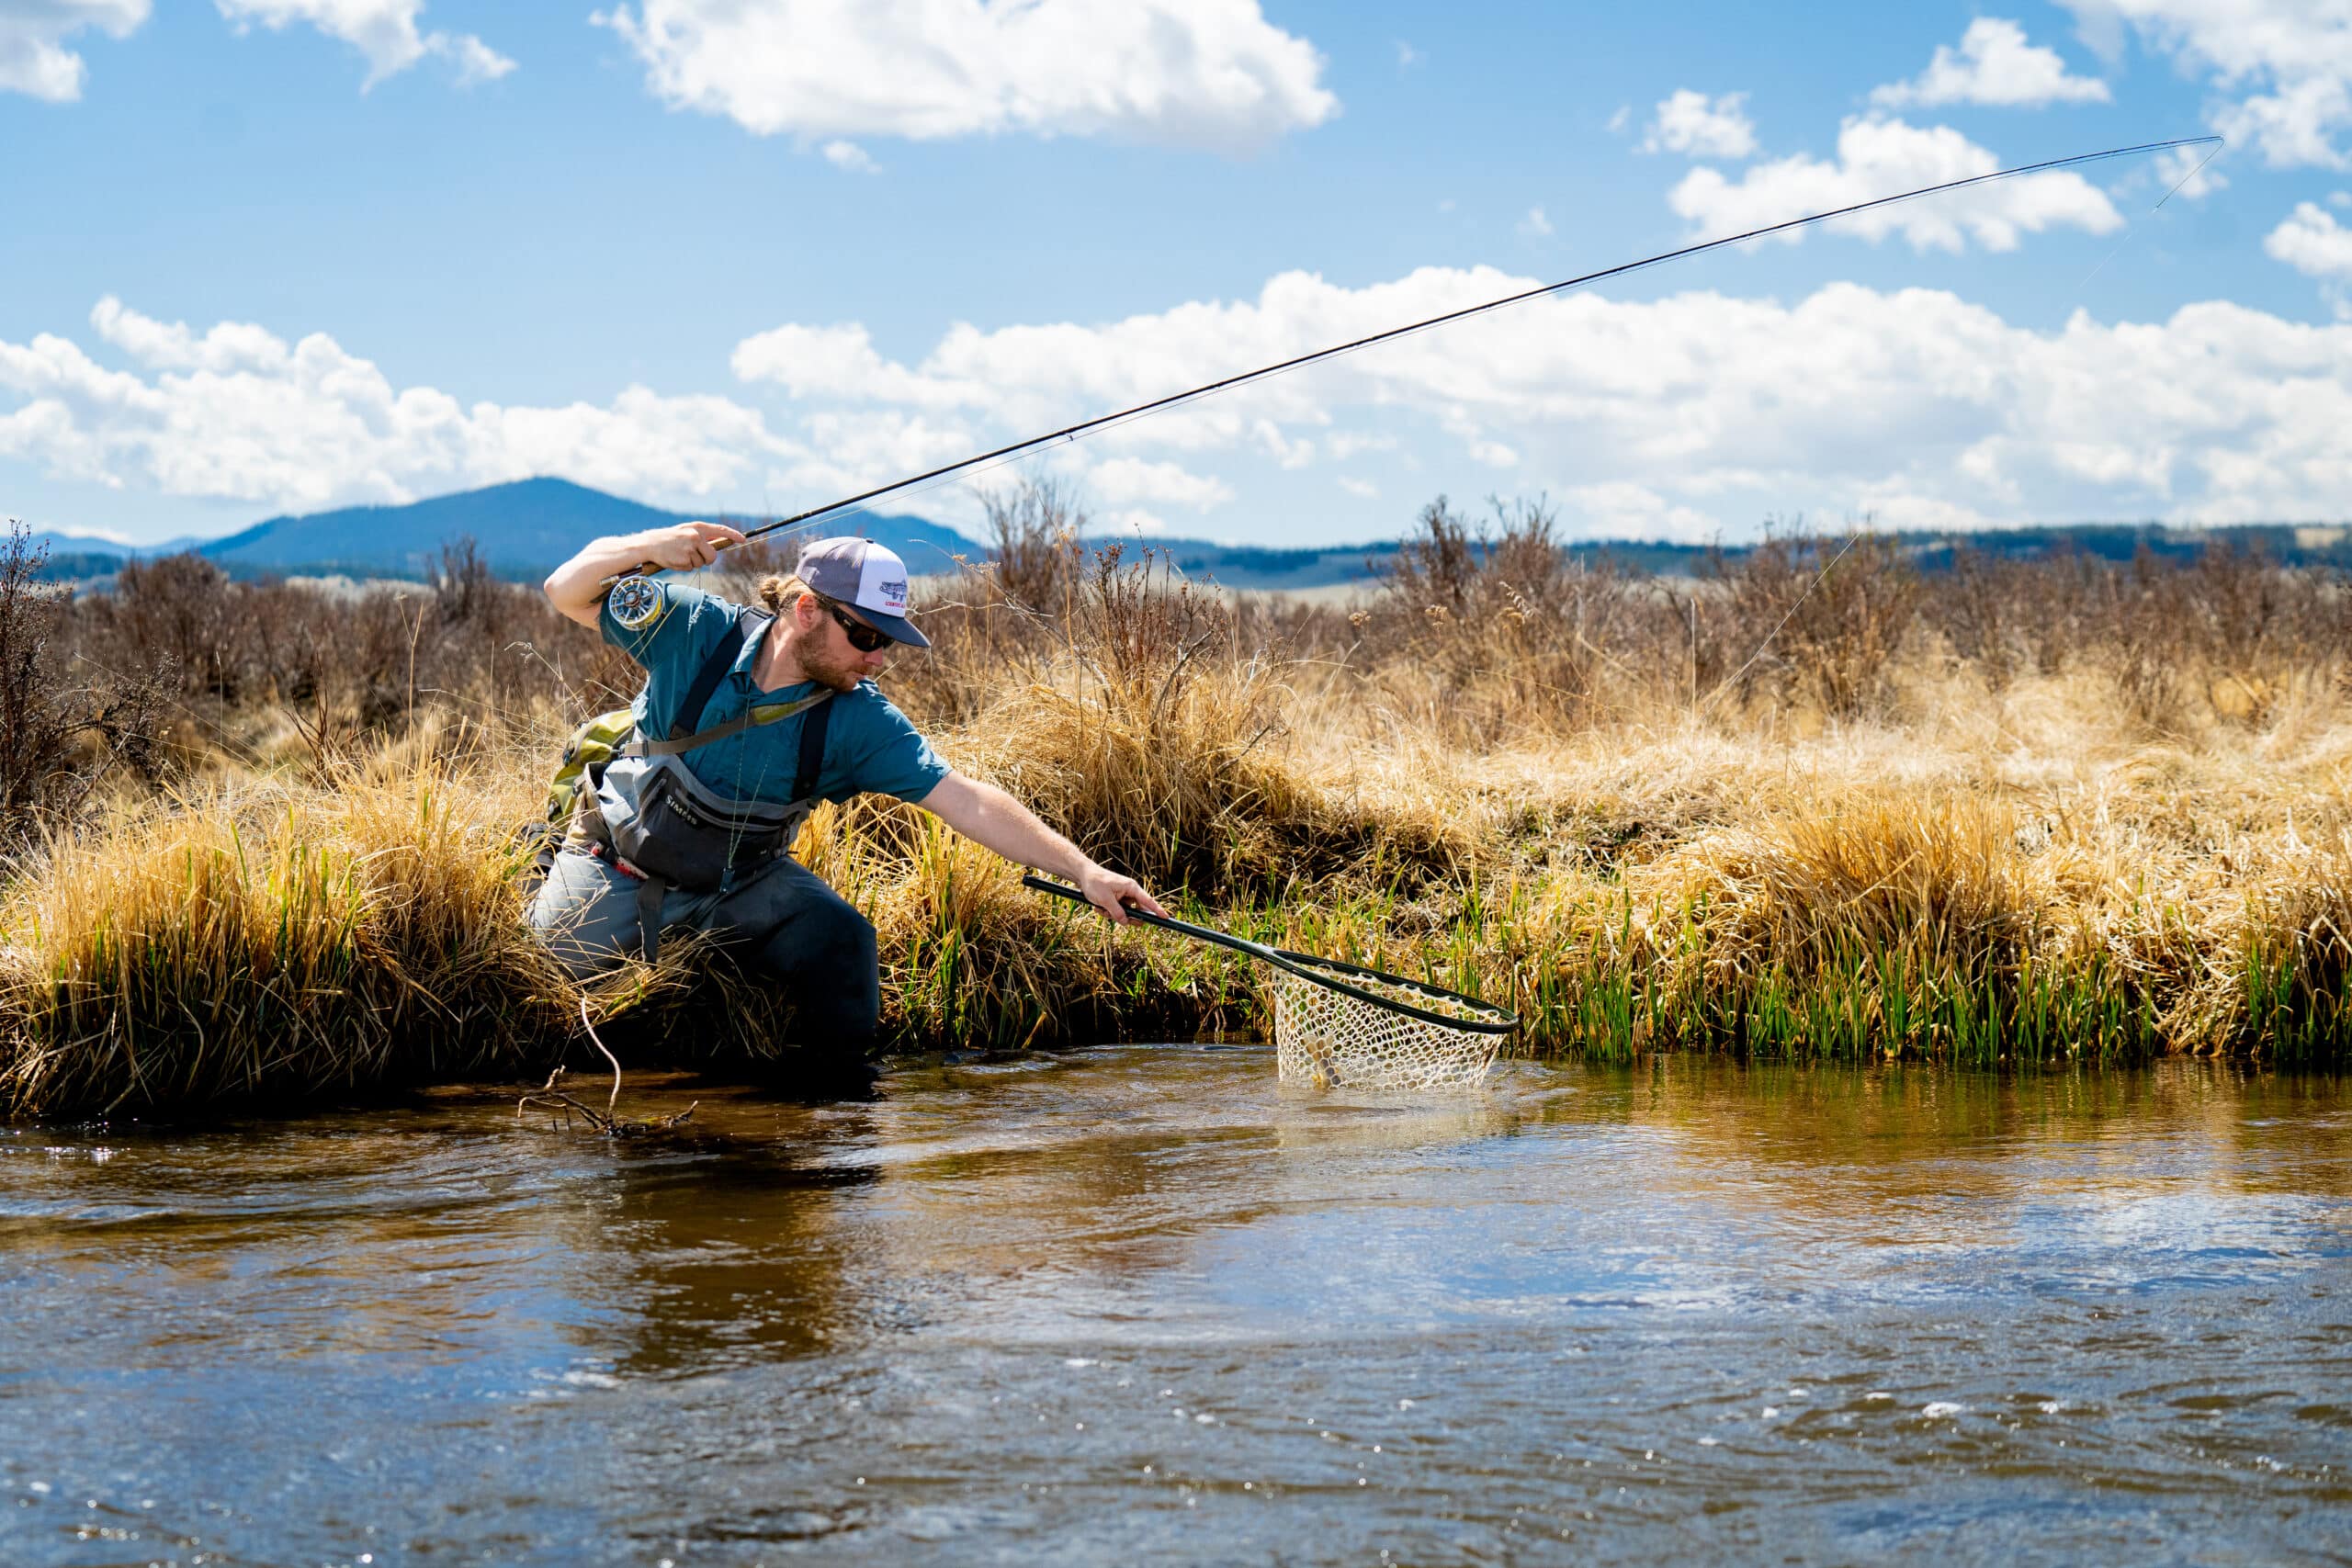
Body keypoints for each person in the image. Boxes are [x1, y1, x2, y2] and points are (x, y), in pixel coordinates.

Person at [534, 520, 1163, 1087]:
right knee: (538, 1001)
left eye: (887, 641)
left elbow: (965, 801)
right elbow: (566, 589)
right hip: (615, 863)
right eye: (864, 635)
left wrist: (1085, 870)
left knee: (843, 940)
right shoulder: (692, 629)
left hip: (736, 888)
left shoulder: (859, 721)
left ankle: (834, 1129)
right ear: (807, 609)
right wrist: (649, 548)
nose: (878, 658)